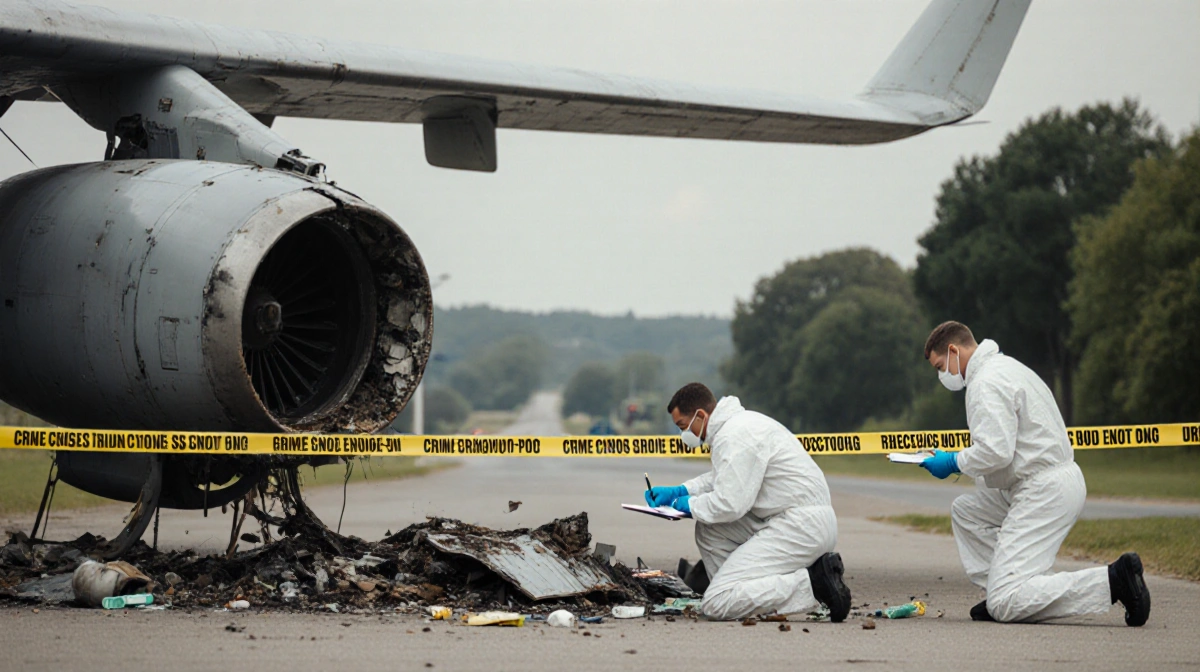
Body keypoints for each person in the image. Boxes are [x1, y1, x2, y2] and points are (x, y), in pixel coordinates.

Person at [920, 321, 1150, 625]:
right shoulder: (1008, 367)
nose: (942, 375)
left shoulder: (984, 383)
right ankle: (1004, 588)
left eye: (940, 366)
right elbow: (1005, 450)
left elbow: (995, 451)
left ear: (953, 350)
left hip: (1043, 491)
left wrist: (952, 462)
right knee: (967, 512)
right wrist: (958, 460)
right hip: (1047, 481)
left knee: (1005, 604)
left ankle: (1111, 581)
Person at [644, 382, 851, 622]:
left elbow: (729, 505)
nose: (684, 435)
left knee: (715, 604)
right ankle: (739, 595)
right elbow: (728, 477)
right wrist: (682, 490)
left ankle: (813, 584)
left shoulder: (733, 436)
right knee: (710, 529)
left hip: (798, 528)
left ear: (700, 415)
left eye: (683, 426)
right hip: (800, 520)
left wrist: (687, 505)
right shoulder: (743, 425)